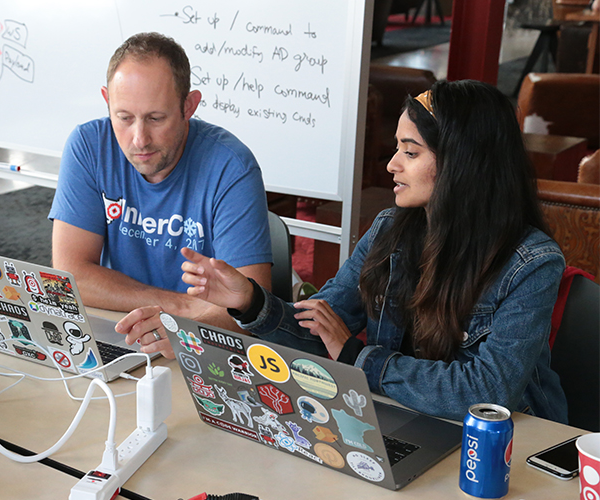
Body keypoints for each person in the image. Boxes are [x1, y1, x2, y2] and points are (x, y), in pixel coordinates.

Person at [179, 79, 568, 423]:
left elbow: (487, 393)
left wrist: (359, 359)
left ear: (463, 165)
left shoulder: (532, 264)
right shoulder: (390, 229)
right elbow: (319, 333)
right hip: (402, 416)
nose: (391, 165)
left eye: (410, 153)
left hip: (503, 442)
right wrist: (249, 302)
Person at [49, 33, 272, 358]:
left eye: (156, 118)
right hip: (127, 331)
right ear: (106, 101)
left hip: (203, 347)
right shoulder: (88, 145)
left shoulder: (231, 167)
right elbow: (71, 276)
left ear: (188, 106)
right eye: (123, 117)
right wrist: (180, 306)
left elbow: (250, 309)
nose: (139, 139)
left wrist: (186, 331)